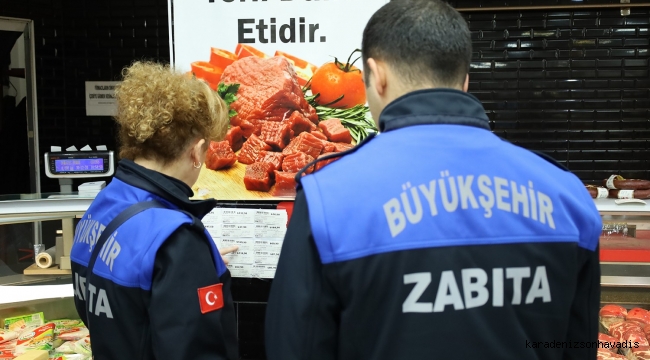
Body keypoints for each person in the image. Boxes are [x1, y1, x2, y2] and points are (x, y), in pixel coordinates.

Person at [265, 1, 602, 359]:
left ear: (375, 76)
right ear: (465, 80)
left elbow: (294, 348)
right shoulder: (568, 197)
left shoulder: (327, 200)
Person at [71, 61, 238, 360]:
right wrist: (186, 260)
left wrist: (193, 267)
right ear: (196, 151)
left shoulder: (103, 204)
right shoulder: (176, 240)